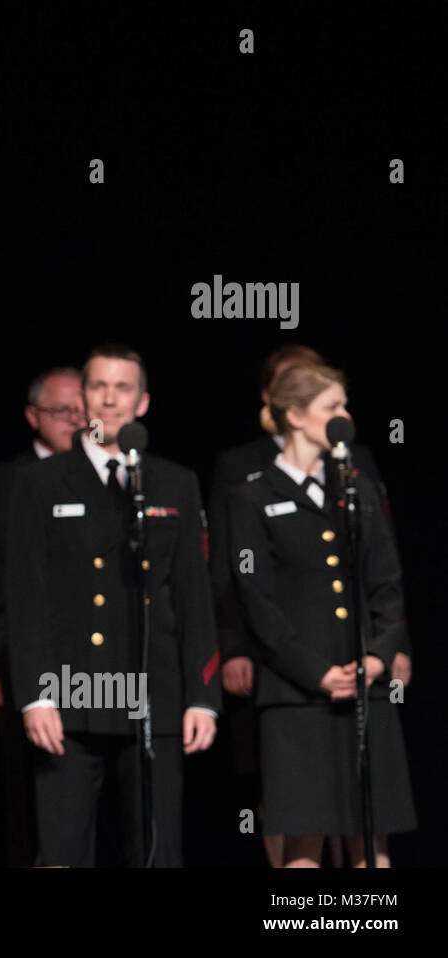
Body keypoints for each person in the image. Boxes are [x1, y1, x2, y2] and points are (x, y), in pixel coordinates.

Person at [5, 344, 220, 867]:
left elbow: (193, 594)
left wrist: (203, 696)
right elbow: (25, 595)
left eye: (123, 387)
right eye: (99, 386)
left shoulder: (174, 482)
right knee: (61, 851)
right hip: (69, 696)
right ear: (82, 397)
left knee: (156, 850)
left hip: (155, 695)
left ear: (142, 402)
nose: (110, 398)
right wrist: (35, 696)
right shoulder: (39, 481)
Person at [207, 343, 411, 866]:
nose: (345, 417)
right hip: (297, 694)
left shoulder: (357, 489)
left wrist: (379, 655)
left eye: (345, 406)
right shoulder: (251, 496)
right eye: (332, 408)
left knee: (372, 835)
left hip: (365, 684)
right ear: (295, 416)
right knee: (303, 840)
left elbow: (387, 586)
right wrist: (316, 672)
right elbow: (255, 597)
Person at [0, 365, 83, 865]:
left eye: (82, 410)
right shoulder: (0, 484)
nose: (74, 419)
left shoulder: (112, 477)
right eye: (61, 410)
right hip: (18, 662)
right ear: (33, 416)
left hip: (95, 664)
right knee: (25, 790)